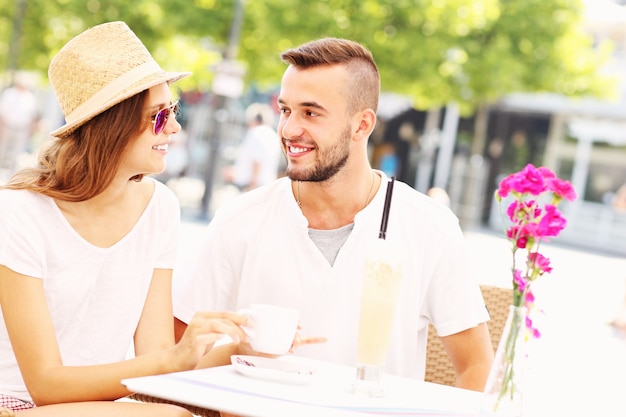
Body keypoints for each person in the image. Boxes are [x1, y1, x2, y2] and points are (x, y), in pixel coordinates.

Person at [173, 37, 494, 391]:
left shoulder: (430, 227)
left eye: (310, 113)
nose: (290, 129)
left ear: (362, 125)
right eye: (285, 110)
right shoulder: (240, 220)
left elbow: (476, 367)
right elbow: (177, 353)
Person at [0, 22, 250, 417]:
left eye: (173, 110)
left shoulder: (161, 208)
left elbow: (156, 360)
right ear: (111, 125)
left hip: (102, 405)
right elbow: (45, 385)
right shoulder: (19, 212)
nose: (174, 126)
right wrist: (173, 360)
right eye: (158, 116)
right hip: (18, 403)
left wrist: (241, 350)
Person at [224, 103, 282, 191]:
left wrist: (252, 186)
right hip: (265, 185)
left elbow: (257, 161)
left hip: (252, 186)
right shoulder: (273, 136)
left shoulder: (256, 133)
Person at [0, 72, 40, 176]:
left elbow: (32, 117)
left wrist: (31, 131)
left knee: (16, 153)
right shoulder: (9, 94)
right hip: (7, 127)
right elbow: (2, 112)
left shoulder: (30, 98)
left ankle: (10, 175)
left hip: (21, 129)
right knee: (2, 149)